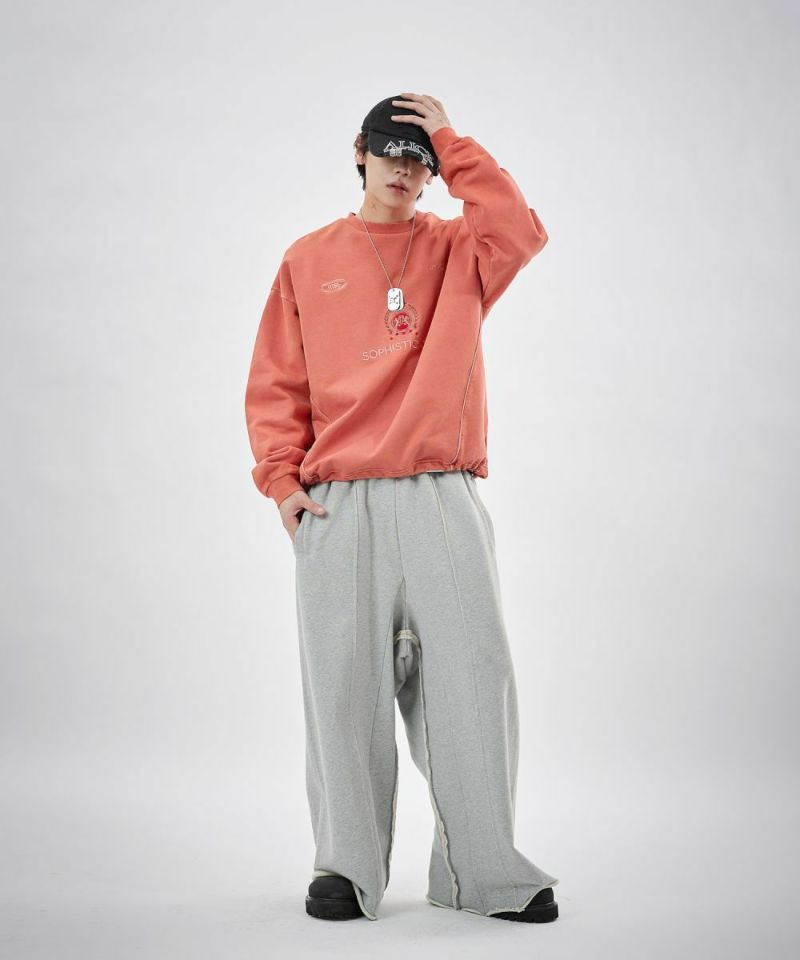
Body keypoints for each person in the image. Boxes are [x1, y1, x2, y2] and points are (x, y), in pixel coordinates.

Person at [244, 92, 560, 923]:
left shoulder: (461, 250)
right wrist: (282, 481)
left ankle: (483, 872)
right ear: (360, 149)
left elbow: (520, 230)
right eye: (391, 152)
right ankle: (346, 866)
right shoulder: (308, 258)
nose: (404, 170)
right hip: (338, 503)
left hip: (438, 489)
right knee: (342, 691)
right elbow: (278, 380)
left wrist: (452, 143)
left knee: (474, 679)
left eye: (419, 160)